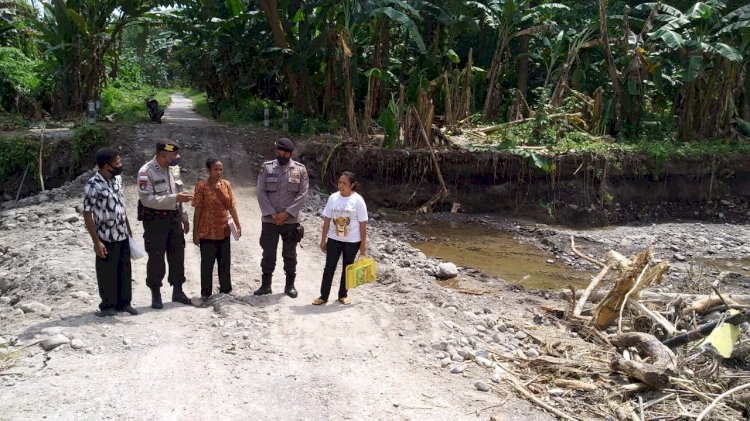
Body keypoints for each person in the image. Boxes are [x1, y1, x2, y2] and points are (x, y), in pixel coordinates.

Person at [138, 140, 193, 309]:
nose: (178, 157)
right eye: (174, 155)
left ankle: (178, 289)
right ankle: (156, 292)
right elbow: (146, 199)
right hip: (155, 220)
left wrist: (184, 216)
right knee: (156, 257)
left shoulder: (174, 169)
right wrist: (174, 199)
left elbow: (179, 192)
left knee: (177, 254)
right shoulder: (146, 172)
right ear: (163, 155)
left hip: (174, 218)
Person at [83, 148, 138, 316]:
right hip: (105, 236)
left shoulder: (118, 180)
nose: (120, 165)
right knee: (107, 272)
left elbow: (121, 206)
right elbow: (87, 213)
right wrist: (96, 242)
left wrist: (129, 229)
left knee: (124, 269)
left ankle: (124, 303)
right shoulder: (93, 185)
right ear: (107, 166)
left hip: (122, 234)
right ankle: (108, 306)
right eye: (117, 162)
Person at [256, 137, 309, 298]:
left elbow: (302, 194)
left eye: (285, 153)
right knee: (268, 253)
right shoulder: (267, 168)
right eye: (279, 152)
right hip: (270, 220)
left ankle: (290, 285)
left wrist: (286, 213)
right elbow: (260, 191)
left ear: (290, 154)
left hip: (290, 221)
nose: (281, 155)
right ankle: (266, 285)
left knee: (290, 254)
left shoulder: (300, 170)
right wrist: (272, 213)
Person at [313, 171, 368, 305]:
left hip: (352, 241)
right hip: (334, 239)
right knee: (329, 267)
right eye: (339, 182)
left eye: (344, 183)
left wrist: (362, 246)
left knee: (347, 267)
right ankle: (323, 296)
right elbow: (327, 220)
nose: (341, 185)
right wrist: (323, 239)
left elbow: (363, 224)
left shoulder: (358, 200)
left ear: (352, 185)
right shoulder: (333, 198)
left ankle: (343, 295)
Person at [192, 158, 241, 299]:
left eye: (221, 169)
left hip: (223, 229)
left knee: (224, 261)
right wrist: (195, 233)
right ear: (209, 170)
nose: (219, 172)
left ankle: (226, 290)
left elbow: (231, 206)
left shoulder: (226, 185)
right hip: (207, 232)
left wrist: (238, 225)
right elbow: (198, 211)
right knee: (207, 264)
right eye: (216, 169)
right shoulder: (201, 186)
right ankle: (206, 293)